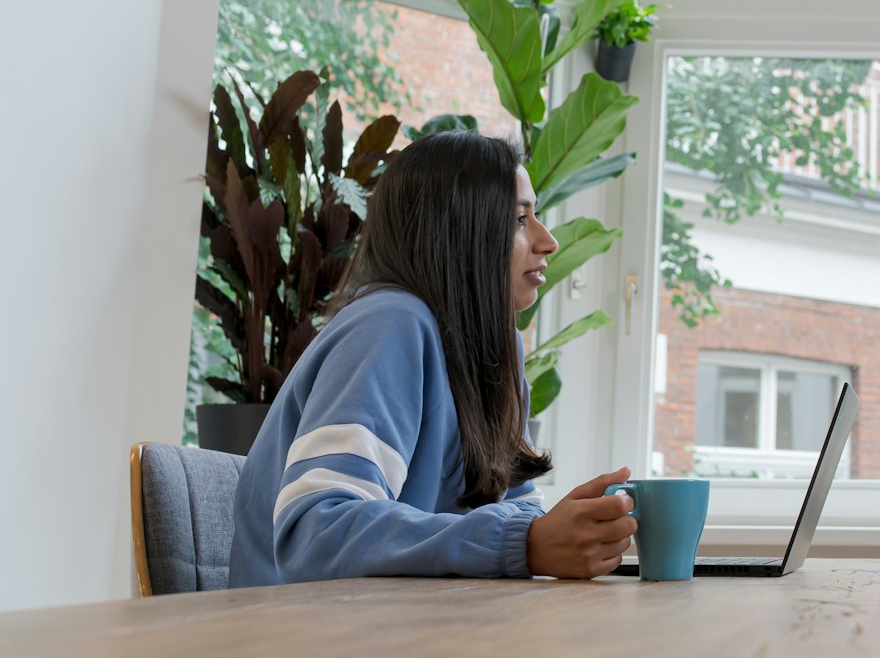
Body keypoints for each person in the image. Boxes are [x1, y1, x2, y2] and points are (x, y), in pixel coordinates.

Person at [230, 130, 638, 586]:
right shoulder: (390, 324)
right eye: (520, 220)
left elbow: (514, 507)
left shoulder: (496, 345)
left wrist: (548, 534)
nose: (548, 241)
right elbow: (315, 533)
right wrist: (521, 543)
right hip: (295, 642)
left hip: (405, 633)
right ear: (460, 229)